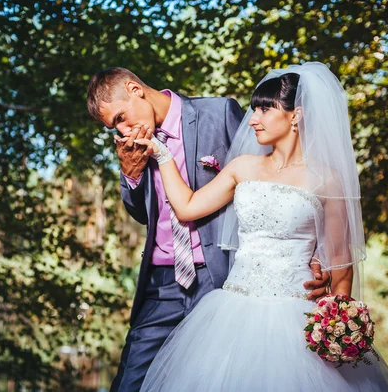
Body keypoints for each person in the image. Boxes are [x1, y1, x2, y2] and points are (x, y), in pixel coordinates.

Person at [134, 62, 388, 391]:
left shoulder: (327, 179)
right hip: (232, 312)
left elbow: (342, 271)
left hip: (297, 314)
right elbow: (188, 207)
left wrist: (337, 327)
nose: (252, 119)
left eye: (264, 109)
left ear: (295, 115)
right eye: (253, 109)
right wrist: (162, 155)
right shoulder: (243, 167)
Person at [86, 67, 332, 391]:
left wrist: (316, 253)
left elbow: (276, 183)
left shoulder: (218, 113)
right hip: (163, 282)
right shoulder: (132, 146)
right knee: (130, 382)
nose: (122, 130)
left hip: (220, 279)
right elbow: (141, 213)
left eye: (120, 117)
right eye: (113, 127)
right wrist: (130, 175)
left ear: (135, 89)